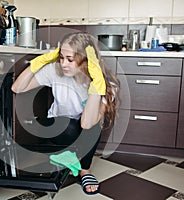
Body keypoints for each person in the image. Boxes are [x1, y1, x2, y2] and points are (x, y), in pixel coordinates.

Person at [11, 32, 119, 195]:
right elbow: (17, 88)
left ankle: (84, 171)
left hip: (83, 131)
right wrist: (39, 61)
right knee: (66, 126)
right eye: (61, 57)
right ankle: (65, 155)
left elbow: (87, 124)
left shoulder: (105, 84)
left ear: (85, 60)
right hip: (55, 128)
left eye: (70, 59)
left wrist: (97, 85)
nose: (63, 64)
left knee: (94, 125)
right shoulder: (54, 71)